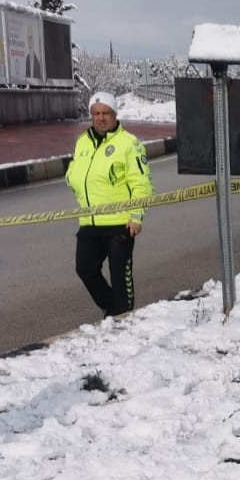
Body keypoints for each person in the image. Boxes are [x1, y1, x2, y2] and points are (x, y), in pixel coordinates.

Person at [66, 91, 153, 317]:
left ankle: (122, 316)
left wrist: (136, 217)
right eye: (96, 113)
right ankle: (113, 309)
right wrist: (71, 178)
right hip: (89, 221)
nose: (100, 118)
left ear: (114, 114)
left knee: (119, 277)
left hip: (120, 225)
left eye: (105, 113)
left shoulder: (129, 143)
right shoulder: (82, 141)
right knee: (85, 269)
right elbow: (76, 171)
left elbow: (141, 184)